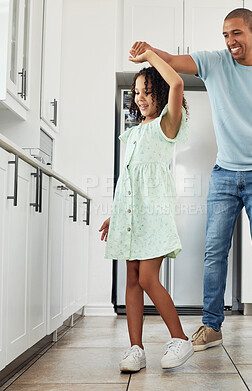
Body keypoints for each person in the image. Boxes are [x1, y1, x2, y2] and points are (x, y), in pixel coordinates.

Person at [130, 7, 252, 354]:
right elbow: (172, 61)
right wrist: (150, 50)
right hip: (224, 173)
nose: (230, 41)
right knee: (214, 252)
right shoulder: (214, 62)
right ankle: (211, 327)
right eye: (225, 35)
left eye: (237, 33)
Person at [99, 49, 194, 372]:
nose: (140, 98)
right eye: (136, 92)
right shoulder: (136, 131)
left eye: (147, 91)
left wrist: (151, 57)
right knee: (132, 279)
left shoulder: (166, 125)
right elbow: (128, 180)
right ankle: (135, 349)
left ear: (161, 94)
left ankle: (180, 338)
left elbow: (178, 83)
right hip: (130, 213)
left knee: (148, 278)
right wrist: (117, 213)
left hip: (153, 213)